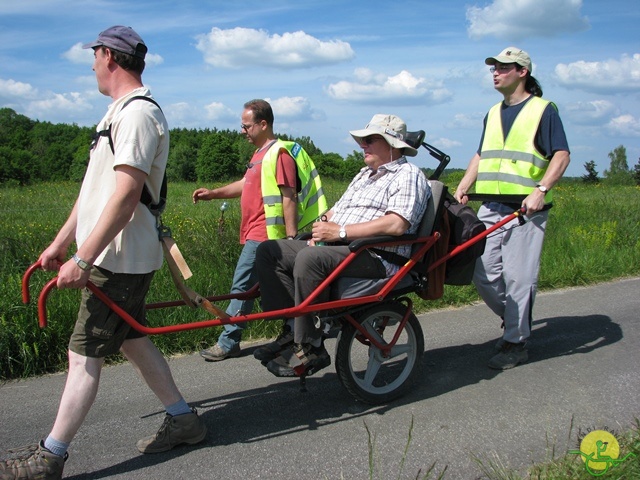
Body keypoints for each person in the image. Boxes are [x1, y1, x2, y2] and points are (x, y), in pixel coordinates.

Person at [0, 26, 206, 480]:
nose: (91, 63)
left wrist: (84, 258)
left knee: (83, 354)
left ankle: (50, 457)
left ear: (109, 56)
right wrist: (60, 243)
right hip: (112, 254)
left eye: (93, 55)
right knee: (131, 340)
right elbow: (94, 192)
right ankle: (185, 419)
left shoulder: (136, 116)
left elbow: (127, 196)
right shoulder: (115, 114)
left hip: (118, 258)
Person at [254, 114, 430, 377]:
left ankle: (311, 344)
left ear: (392, 144)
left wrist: (341, 232)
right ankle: (292, 328)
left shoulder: (408, 174)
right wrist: (322, 227)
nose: (363, 145)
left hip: (378, 256)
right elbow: (337, 210)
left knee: (310, 260)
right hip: (344, 247)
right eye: (363, 140)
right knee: (270, 251)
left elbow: (397, 224)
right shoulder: (364, 175)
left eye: (370, 140)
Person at [453, 47, 571, 370]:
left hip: (526, 211)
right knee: (482, 271)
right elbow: (481, 154)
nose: (495, 72)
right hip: (489, 204)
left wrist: (541, 189)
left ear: (523, 72)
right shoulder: (491, 113)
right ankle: (516, 320)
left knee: (519, 277)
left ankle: (516, 342)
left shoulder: (543, 111)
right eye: (494, 67)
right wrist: (464, 184)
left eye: (504, 67)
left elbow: (561, 155)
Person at [193, 99, 327, 361]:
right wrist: (213, 194)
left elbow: (289, 196)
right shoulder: (259, 155)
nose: (242, 131)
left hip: (266, 236)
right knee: (264, 288)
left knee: (241, 287)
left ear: (263, 124)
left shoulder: (279, 154)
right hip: (255, 233)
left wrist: (291, 240)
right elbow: (245, 184)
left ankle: (229, 341)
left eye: (246, 126)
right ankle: (295, 331)